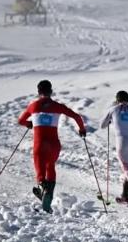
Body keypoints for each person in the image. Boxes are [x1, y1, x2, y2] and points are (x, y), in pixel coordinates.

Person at [17, 80, 87, 213]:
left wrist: (29, 123)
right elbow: (76, 116)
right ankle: (48, 194)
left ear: (39, 92)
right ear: (51, 91)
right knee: (50, 166)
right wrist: (82, 129)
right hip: (54, 145)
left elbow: (20, 121)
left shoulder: (33, 106)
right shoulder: (57, 106)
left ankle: (42, 188)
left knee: (40, 171)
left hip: (40, 144)